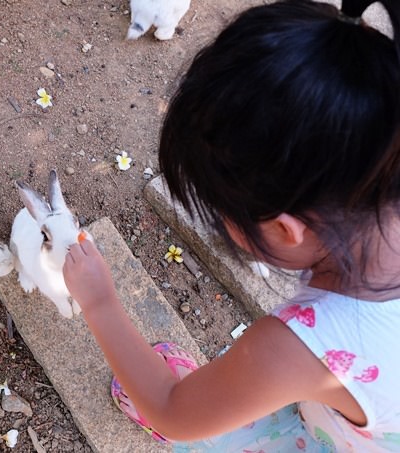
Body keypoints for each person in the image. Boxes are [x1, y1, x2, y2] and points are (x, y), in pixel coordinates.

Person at [63, 0, 400, 450]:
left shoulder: (297, 350)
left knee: (190, 408)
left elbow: (171, 409)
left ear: (285, 228)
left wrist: (99, 300)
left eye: (223, 209)